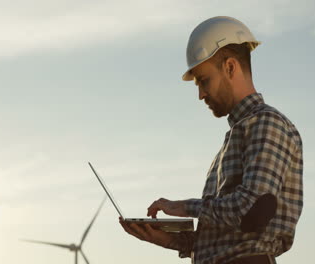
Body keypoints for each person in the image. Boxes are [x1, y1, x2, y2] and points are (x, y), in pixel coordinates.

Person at [119, 16, 303, 264]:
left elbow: (252, 211)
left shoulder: (266, 123)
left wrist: (184, 207)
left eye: (204, 80)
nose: (200, 94)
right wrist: (172, 241)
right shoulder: (235, 137)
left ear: (229, 67)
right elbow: (230, 239)